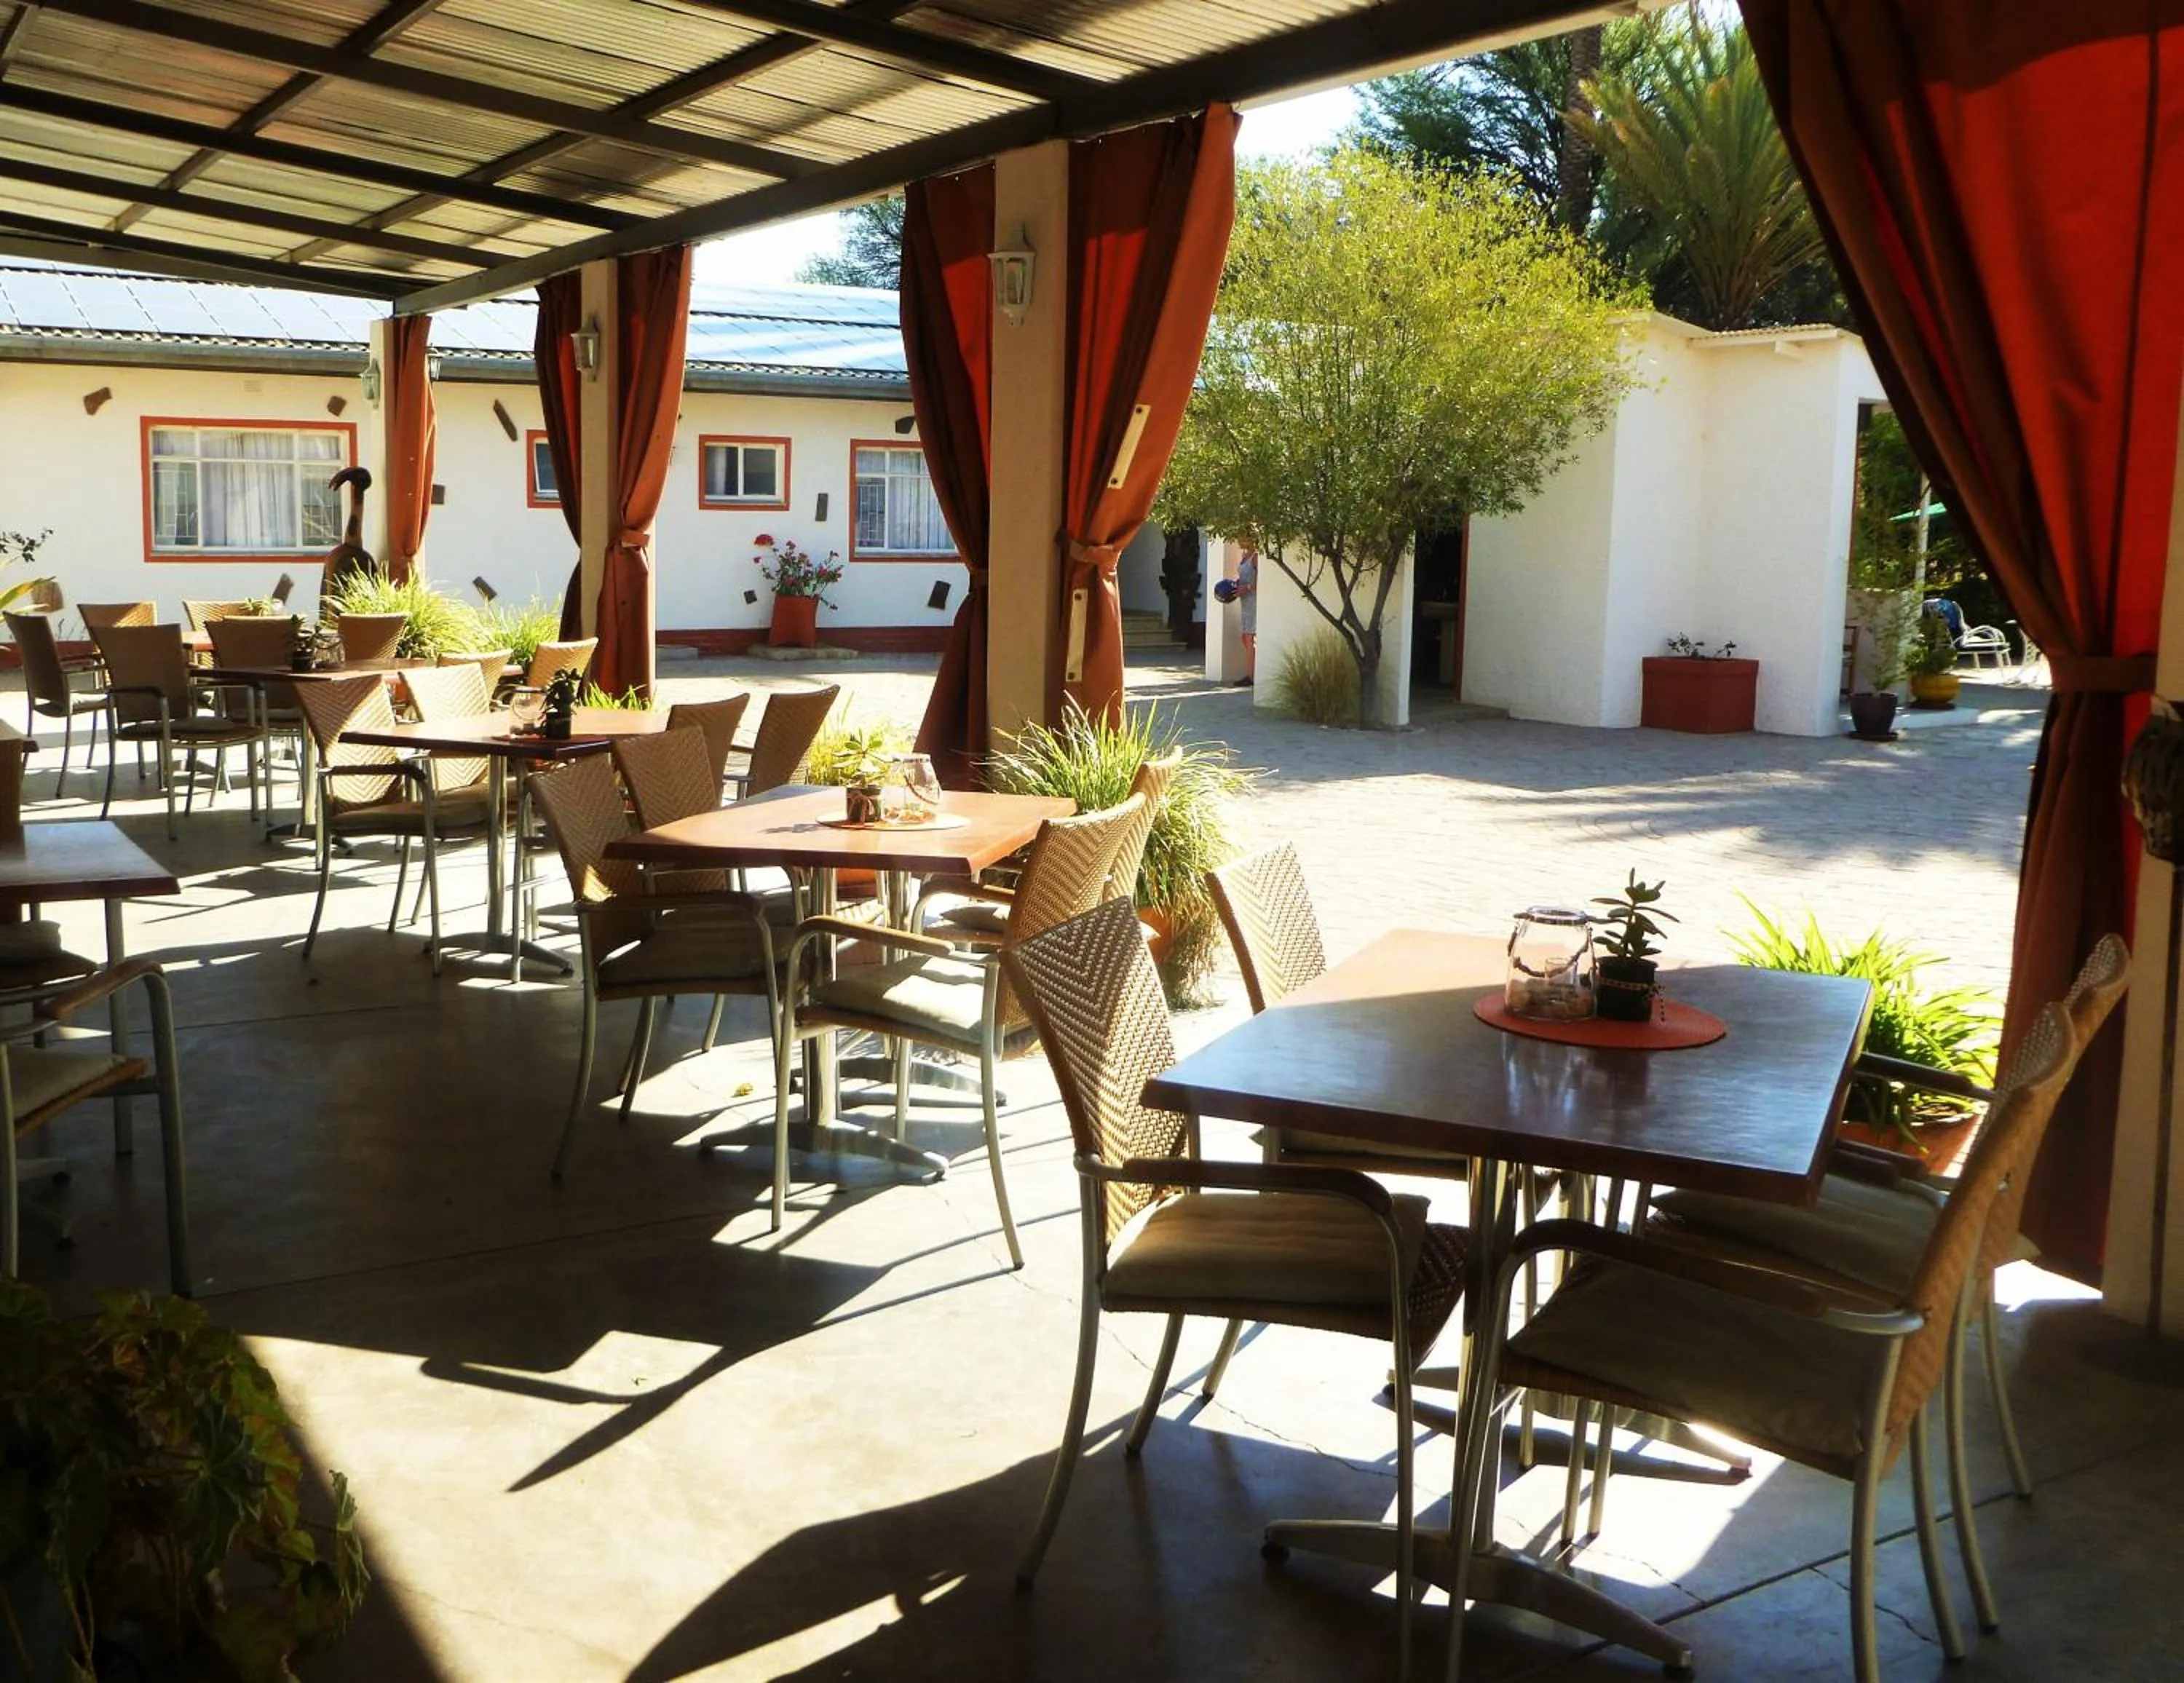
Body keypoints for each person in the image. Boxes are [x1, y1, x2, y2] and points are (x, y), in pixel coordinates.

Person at [1233, 545, 1258, 686]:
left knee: (1250, 637)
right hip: (1245, 602)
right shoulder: (1244, 555)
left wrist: (1247, 587)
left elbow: (1261, 582)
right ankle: (1252, 671)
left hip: (1253, 601)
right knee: (1245, 637)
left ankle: (1251, 676)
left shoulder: (1256, 557)